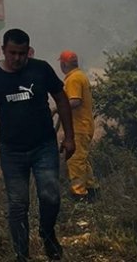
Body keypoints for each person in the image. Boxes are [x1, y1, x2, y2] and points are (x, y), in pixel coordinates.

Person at [0, 29, 75, 262]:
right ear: (4, 51)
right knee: (18, 205)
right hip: (12, 151)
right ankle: (21, 255)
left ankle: (47, 234)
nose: (17, 58)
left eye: (22, 53)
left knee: (50, 196)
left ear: (29, 51)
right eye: (12, 53)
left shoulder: (41, 69)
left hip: (43, 146)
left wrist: (69, 137)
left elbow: (61, 99)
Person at [58, 50, 98, 202]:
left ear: (63, 64)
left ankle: (79, 194)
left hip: (79, 127)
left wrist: (58, 108)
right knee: (82, 160)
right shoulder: (80, 76)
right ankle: (92, 189)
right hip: (84, 125)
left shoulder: (74, 79)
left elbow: (75, 101)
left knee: (75, 160)